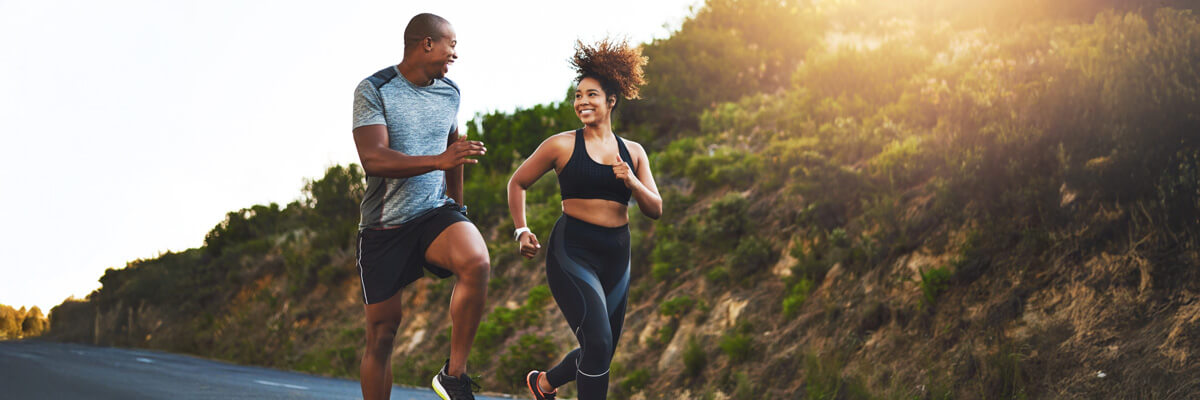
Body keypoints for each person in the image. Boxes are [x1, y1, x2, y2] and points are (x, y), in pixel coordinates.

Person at [506, 38, 662, 400]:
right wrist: (521, 229)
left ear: (611, 101)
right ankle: (546, 385)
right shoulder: (561, 145)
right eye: (578, 95)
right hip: (573, 251)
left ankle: (543, 384)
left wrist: (632, 181)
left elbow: (655, 208)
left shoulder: (634, 153)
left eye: (591, 95)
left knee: (601, 350)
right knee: (598, 340)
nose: (582, 102)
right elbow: (519, 182)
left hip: (617, 256)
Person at [351, 13, 490, 400]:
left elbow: (454, 151)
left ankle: (454, 375)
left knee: (476, 260)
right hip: (384, 227)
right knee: (382, 334)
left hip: (433, 212)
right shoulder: (374, 89)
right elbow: (374, 159)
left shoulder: (450, 92)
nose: (455, 54)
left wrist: (458, 210)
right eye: (452, 44)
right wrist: (437, 161)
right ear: (427, 43)